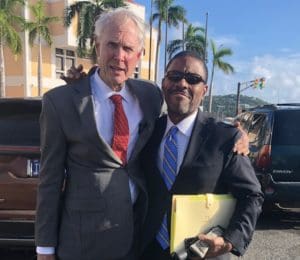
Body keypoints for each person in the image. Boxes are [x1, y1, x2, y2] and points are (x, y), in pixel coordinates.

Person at [35, 8, 162, 260]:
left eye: (127, 48)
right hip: (82, 244)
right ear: (97, 46)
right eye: (111, 45)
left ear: (140, 54)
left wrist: (235, 132)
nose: (119, 56)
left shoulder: (150, 97)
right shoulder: (60, 103)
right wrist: (45, 249)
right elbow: (49, 180)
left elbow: (184, 119)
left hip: (133, 240)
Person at [140, 51, 264, 260]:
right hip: (149, 251)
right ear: (164, 83)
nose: (182, 83)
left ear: (204, 89)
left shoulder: (225, 137)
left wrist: (229, 240)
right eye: (175, 76)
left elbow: (252, 195)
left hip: (202, 254)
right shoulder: (147, 131)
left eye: (193, 79)